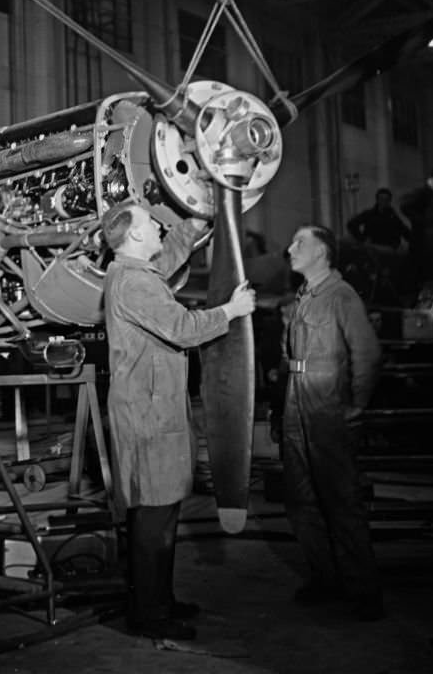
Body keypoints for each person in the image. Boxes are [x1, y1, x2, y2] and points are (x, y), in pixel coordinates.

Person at [100, 201, 256, 642]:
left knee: (161, 517)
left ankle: (158, 602)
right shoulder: (134, 284)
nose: (156, 228)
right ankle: (150, 615)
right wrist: (232, 310)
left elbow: (165, 262)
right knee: (154, 522)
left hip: (151, 412)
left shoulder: (132, 274)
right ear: (132, 236)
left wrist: (193, 224)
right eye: (151, 224)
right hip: (148, 419)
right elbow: (185, 329)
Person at [281, 224, 384, 621]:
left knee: (341, 503)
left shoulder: (341, 296)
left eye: (300, 242)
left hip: (327, 409)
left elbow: (368, 353)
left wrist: (357, 404)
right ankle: (326, 579)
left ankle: (364, 592)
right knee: (299, 499)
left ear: (322, 252)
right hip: (296, 406)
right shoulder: (304, 297)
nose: (291, 248)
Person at [399, 163, 433, 290]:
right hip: (425, 241)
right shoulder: (424, 192)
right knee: (425, 273)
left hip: (430, 240)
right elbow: (405, 206)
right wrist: (422, 222)